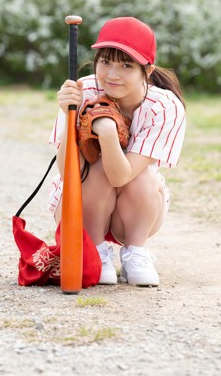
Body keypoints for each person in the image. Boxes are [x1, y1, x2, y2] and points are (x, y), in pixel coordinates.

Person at [49, 17, 186, 286]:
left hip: (135, 211)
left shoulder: (164, 106)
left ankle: (136, 252)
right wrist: (69, 116)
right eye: (106, 61)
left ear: (147, 71)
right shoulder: (84, 90)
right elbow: (69, 171)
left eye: (126, 65)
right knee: (94, 167)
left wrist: (108, 132)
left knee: (144, 175)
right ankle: (96, 251)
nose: (112, 74)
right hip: (80, 204)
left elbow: (121, 177)